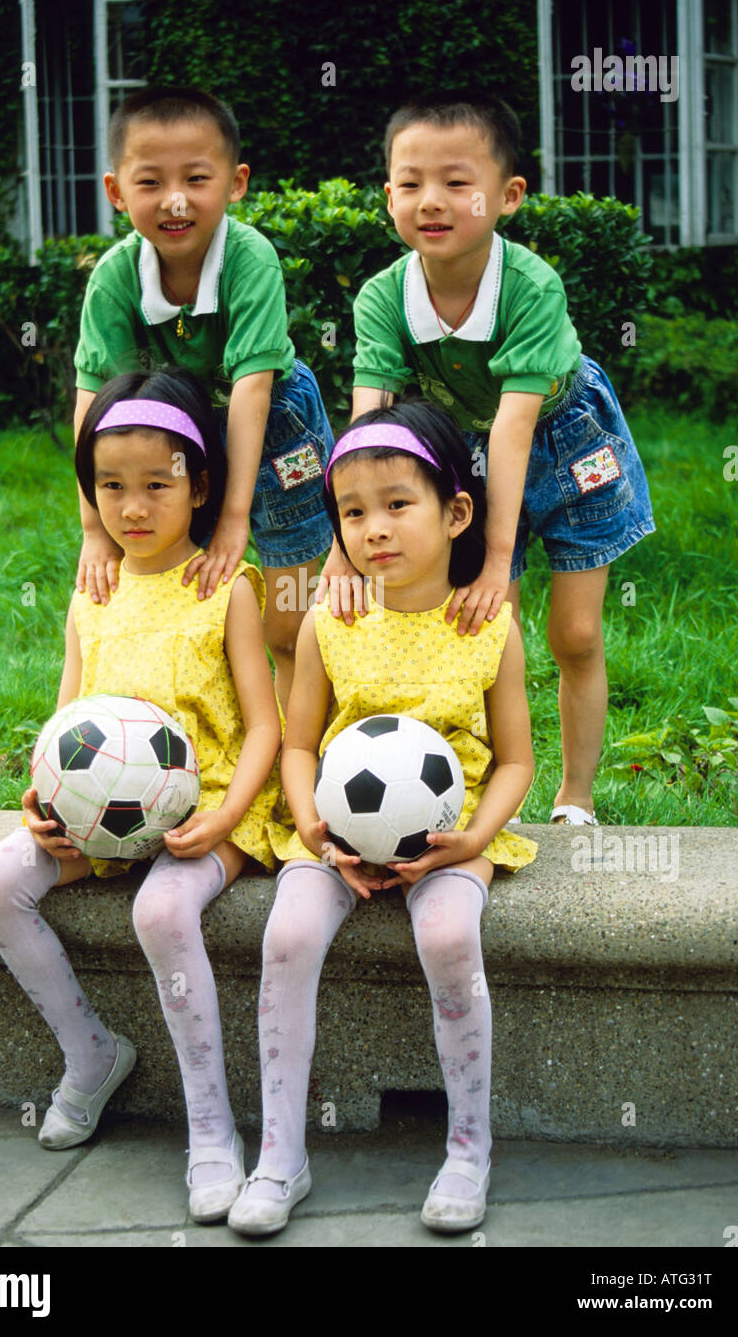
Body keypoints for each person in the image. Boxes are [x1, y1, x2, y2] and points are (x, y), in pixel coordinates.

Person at [0, 367, 286, 1224]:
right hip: (101, 814)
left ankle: (212, 1131)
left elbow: (266, 727)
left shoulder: (227, 588)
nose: (133, 507)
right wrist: (41, 800)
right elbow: (65, 718)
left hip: (208, 810)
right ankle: (92, 1052)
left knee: (160, 913)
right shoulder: (92, 594)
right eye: (112, 487)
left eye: (157, 484)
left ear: (201, 485)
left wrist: (223, 818)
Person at [227, 402, 538, 1237]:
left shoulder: (488, 624)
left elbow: (515, 761)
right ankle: (279, 1156)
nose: (374, 529)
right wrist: (316, 831)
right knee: (286, 937)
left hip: (452, 835)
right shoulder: (334, 622)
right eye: (352, 512)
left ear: (455, 512)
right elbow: (298, 747)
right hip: (333, 834)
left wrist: (471, 841)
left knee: (444, 938)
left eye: (397, 504)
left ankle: (468, 1148)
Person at [318, 91, 655, 825]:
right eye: (409, 184)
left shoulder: (531, 288)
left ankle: (574, 796)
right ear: (387, 196)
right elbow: (367, 421)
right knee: (472, 621)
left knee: (573, 633)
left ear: (506, 197)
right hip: (467, 448)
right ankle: (457, 787)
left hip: (569, 445)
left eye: (456, 183)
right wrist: (340, 543)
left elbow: (515, 425)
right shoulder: (382, 297)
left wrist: (498, 555)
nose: (430, 202)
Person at [73, 85, 336, 709]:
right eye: (150, 182)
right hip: (172, 443)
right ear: (116, 191)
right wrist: (93, 527)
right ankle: (221, 741)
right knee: (198, 595)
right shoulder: (114, 277)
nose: (175, 201)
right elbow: (96, 402)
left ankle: (304, 756)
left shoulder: (251, 261)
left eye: (196, 178)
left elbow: (251, 391)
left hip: (275, 431)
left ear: (236, 182)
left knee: (289, 619)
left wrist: (233, 520)